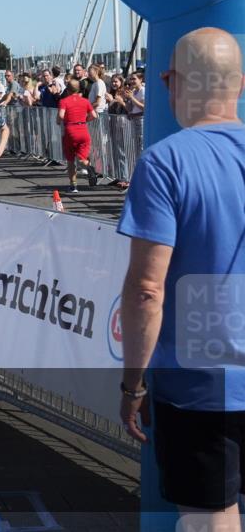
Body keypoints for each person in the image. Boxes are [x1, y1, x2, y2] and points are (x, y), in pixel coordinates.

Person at [117, 27, 245, 530]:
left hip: (201, 387)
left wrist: (132, 385)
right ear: (240, 84)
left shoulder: (167, 162)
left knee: (210, 518)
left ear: (173, 83)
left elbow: (147, 289)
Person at [57, 76, 99, 193]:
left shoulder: (64, 101)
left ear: (68, 90)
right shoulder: (85, 101)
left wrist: (60, 120)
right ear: (79, 89)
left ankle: (73, 185)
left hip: (70, 130)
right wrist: (85, 119)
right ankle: (88, 167)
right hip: (83, 130)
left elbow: (61, 115)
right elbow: (94, 115)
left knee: (70, 160)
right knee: (81, 158)